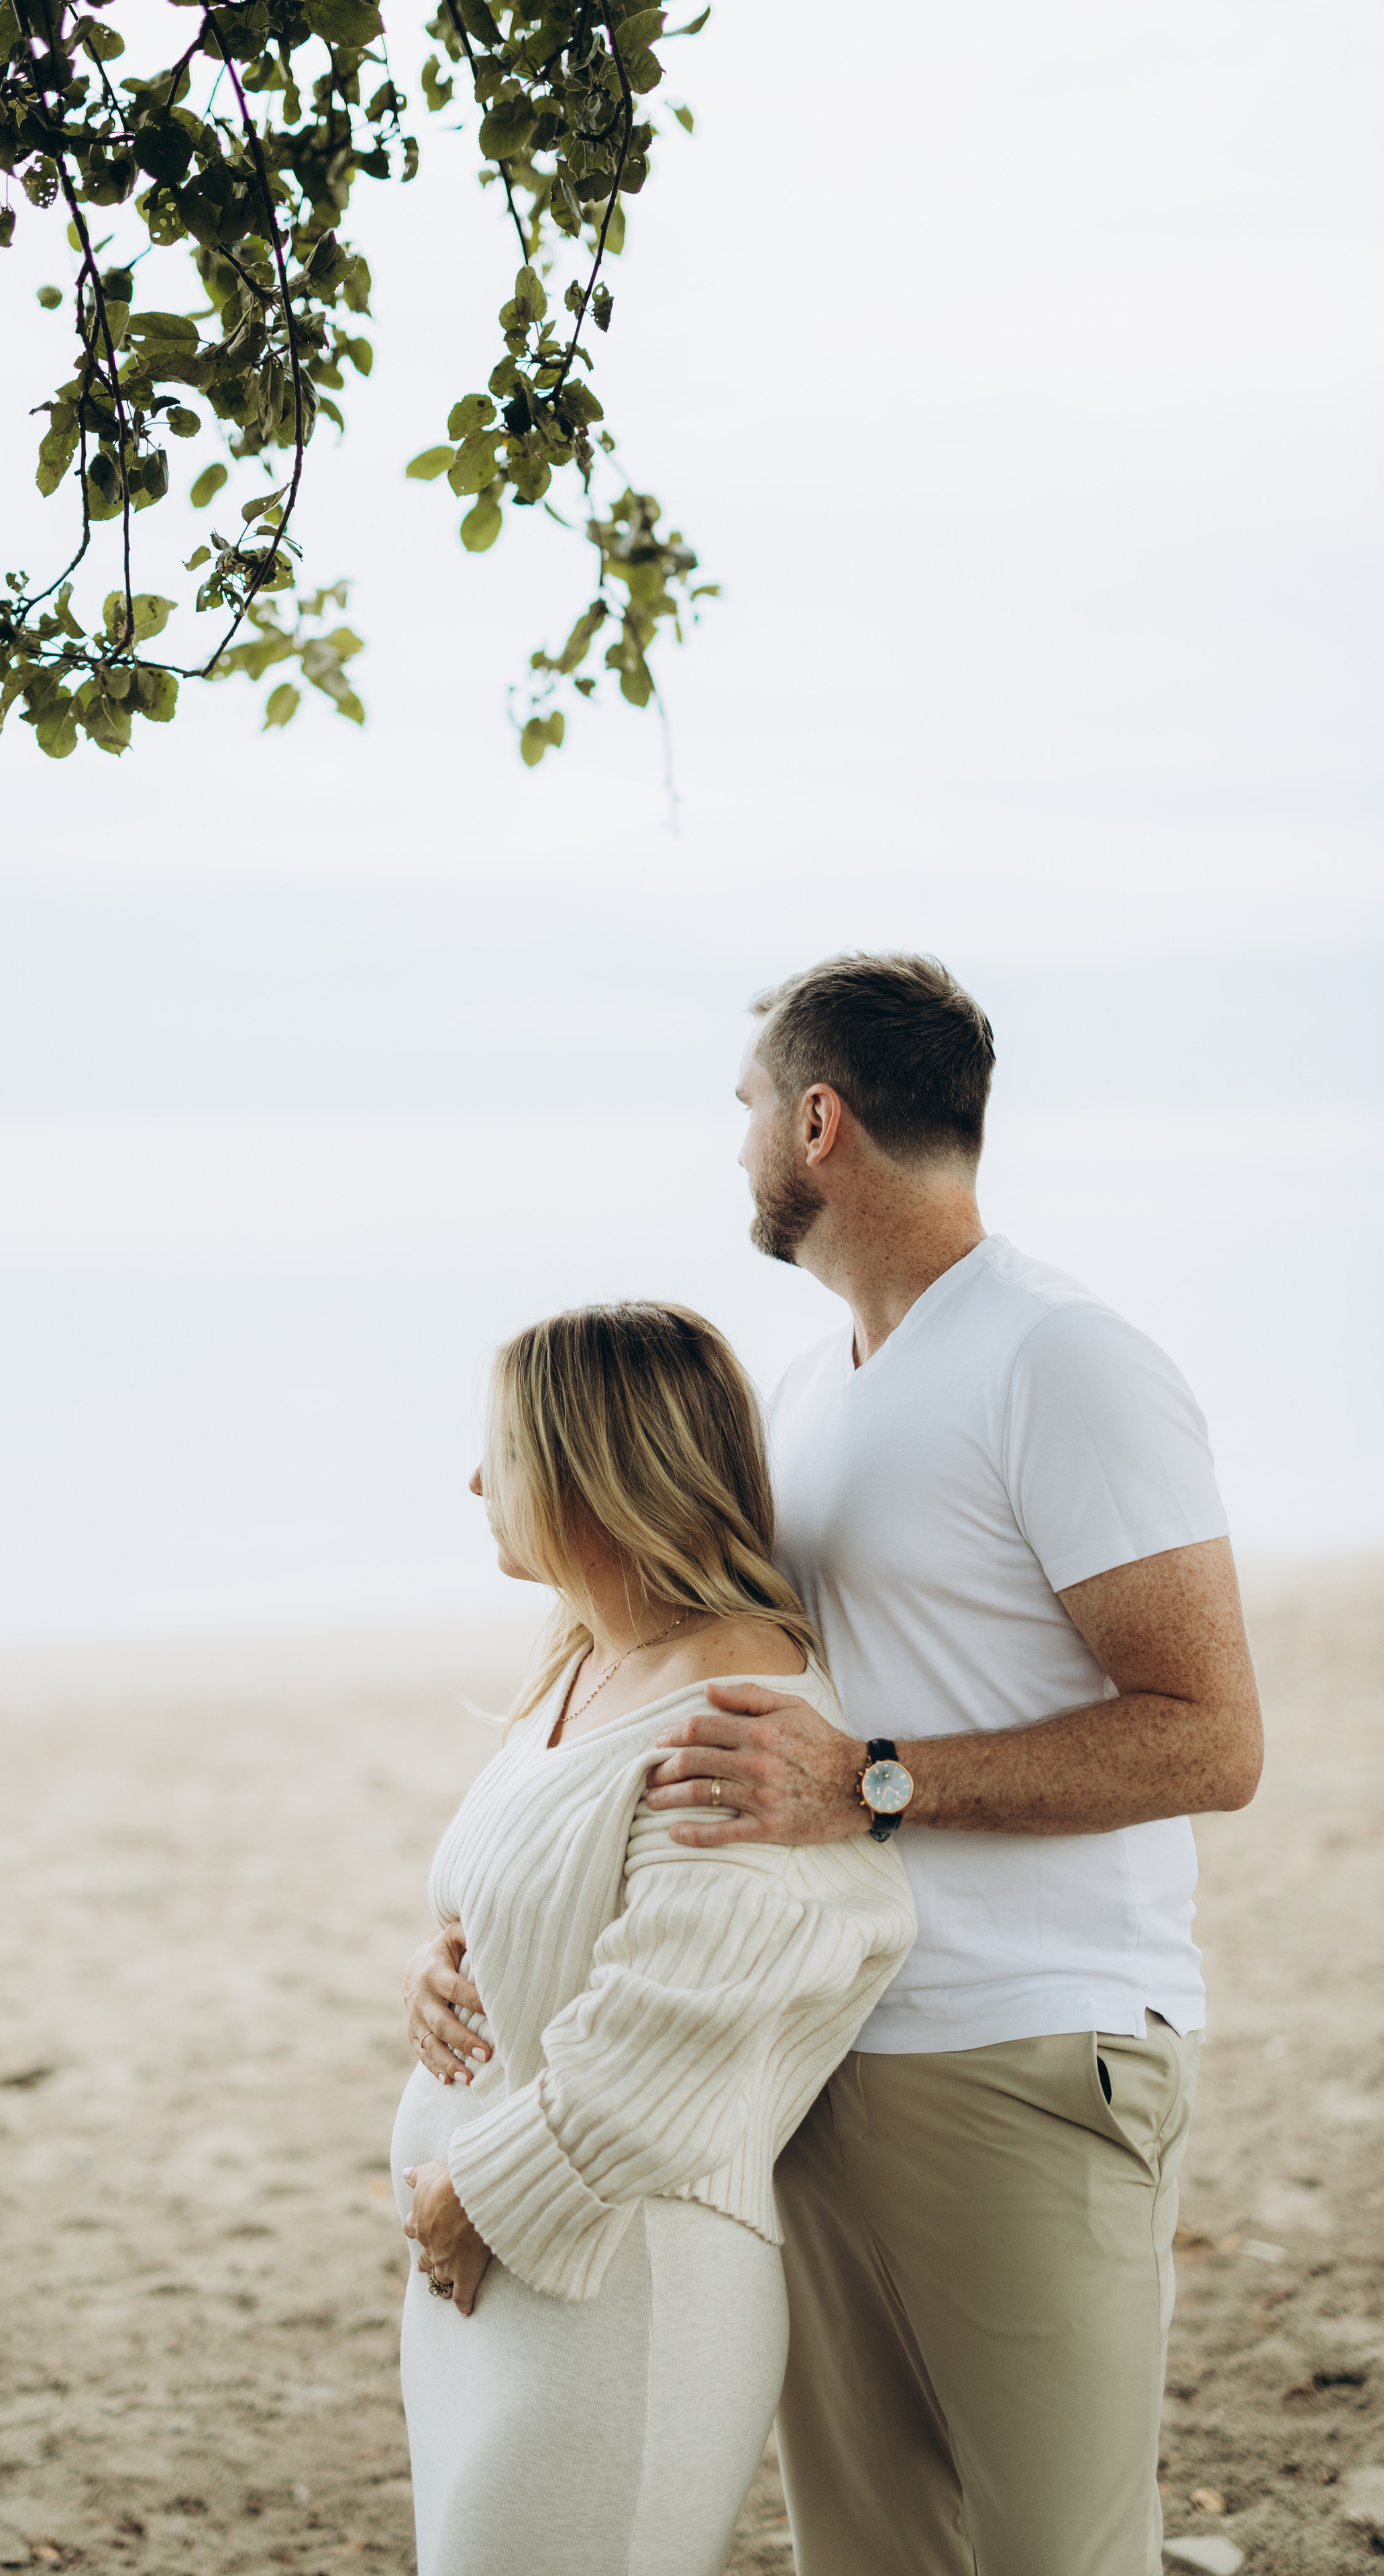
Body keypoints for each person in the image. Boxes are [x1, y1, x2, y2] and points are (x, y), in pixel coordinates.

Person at [409, 953, 1263, 2576]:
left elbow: (1211, 1738)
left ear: (817, 1121)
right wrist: (486, 1932)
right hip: (808, 2062)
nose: (730, 1145)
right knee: (869, 2551)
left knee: (1052, 2550)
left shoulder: (1058, 1359)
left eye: (742, 1108)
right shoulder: (807, 1394)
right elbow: (682, 1688)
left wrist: (870, 1779)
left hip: (1027, 2044)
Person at [391, 1299, 915, 2576]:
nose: (474, 1482)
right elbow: (525, 1900)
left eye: (502, 1457)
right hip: (501, 2264)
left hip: (617, 2284)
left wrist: (478, 2199)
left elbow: (688, 2017)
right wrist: (441, 1973)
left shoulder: (738, 1703)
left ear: (594, 1473)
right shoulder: (589, 1659)